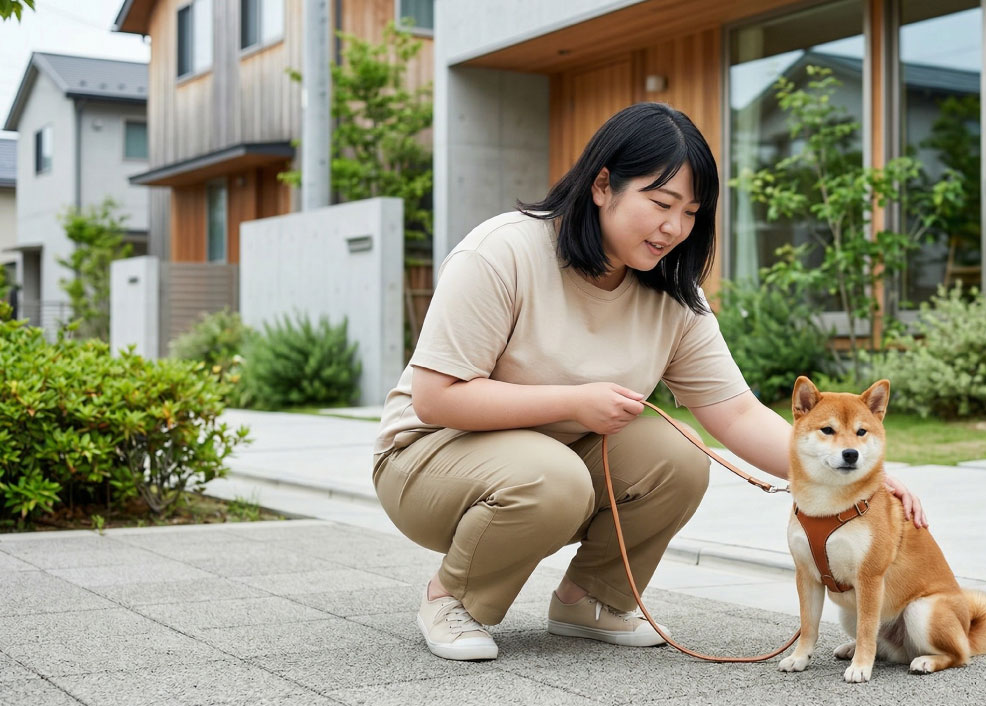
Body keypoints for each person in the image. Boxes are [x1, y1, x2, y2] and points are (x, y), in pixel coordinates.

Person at [372, 102, 928, 662]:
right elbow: (437, 396)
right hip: (427, 459)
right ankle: (453, 598)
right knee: (554, 477)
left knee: (681, 457)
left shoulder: (673, 294)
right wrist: (573, 402)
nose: (675, 227)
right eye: (660, 203)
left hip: (551, 459)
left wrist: (864, 481)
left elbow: (735, 413)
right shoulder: (502, 253)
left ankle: (591, 599)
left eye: (691, 212)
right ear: (602, 185)